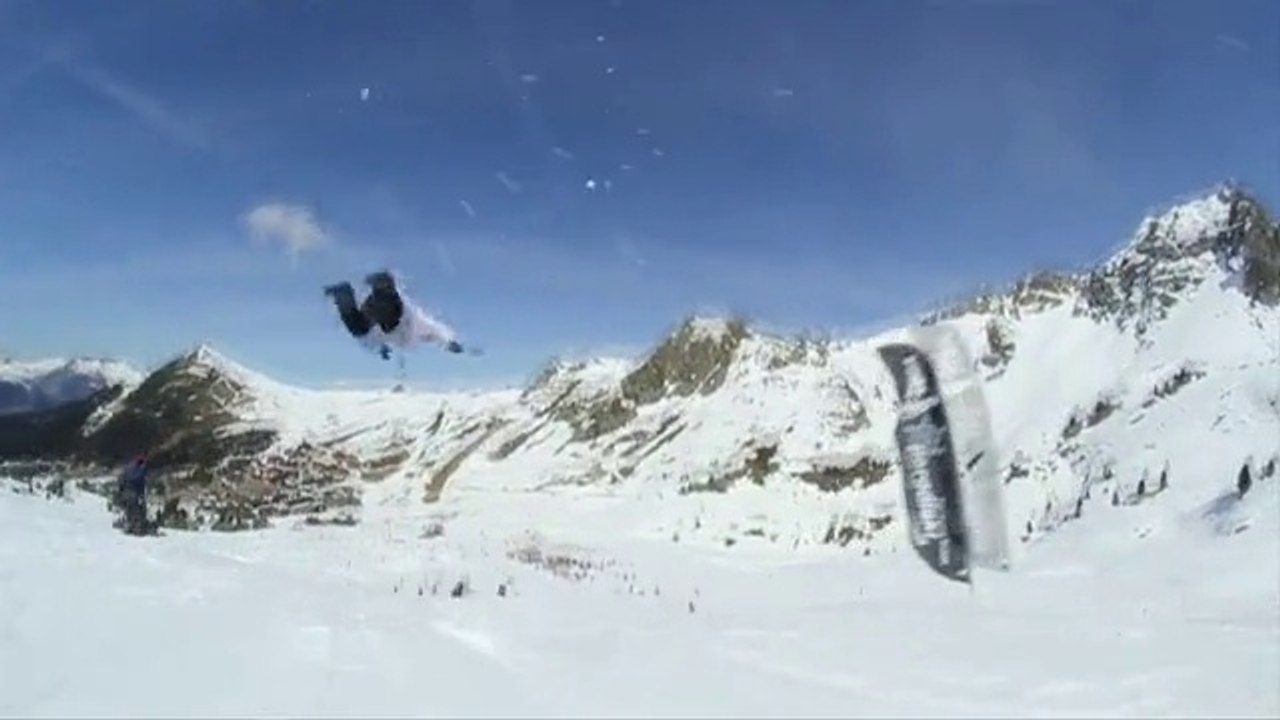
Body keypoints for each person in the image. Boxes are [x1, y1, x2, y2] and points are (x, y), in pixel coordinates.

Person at [117, 453, 150, 535]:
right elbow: (141, 481)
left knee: (130, 508)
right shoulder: (140, 469)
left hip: (126, 491)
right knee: (138, 508)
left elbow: (121, 479)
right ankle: (137, 525)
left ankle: (130, 524)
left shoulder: (128, 467)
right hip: (134, 492)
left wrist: (121, 490)